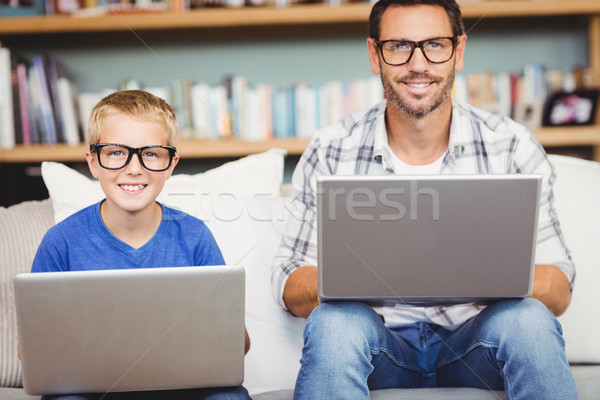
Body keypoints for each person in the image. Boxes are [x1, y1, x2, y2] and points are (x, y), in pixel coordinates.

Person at [271, 1, 578, 399]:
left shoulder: (512, 146)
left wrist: (473, 275)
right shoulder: (331, 149)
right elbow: (289, 287)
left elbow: (559, 289)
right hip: (378, 347)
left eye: (434, 44)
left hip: (475, 346)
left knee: (529, 320)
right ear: (373, 54)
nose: (418, 64)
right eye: (399, 46)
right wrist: (368, 276)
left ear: (459, 51)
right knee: (334, 322)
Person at [31, 90, 251, 400]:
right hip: (93, 391)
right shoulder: (61, 242)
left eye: (150, 153)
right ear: (93, 162)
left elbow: (238, 344)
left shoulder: (195, 236)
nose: (134, 168)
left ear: (171, 163)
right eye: (117, 152)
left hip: (181, 389)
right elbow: (30, 348)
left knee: (229, 396)